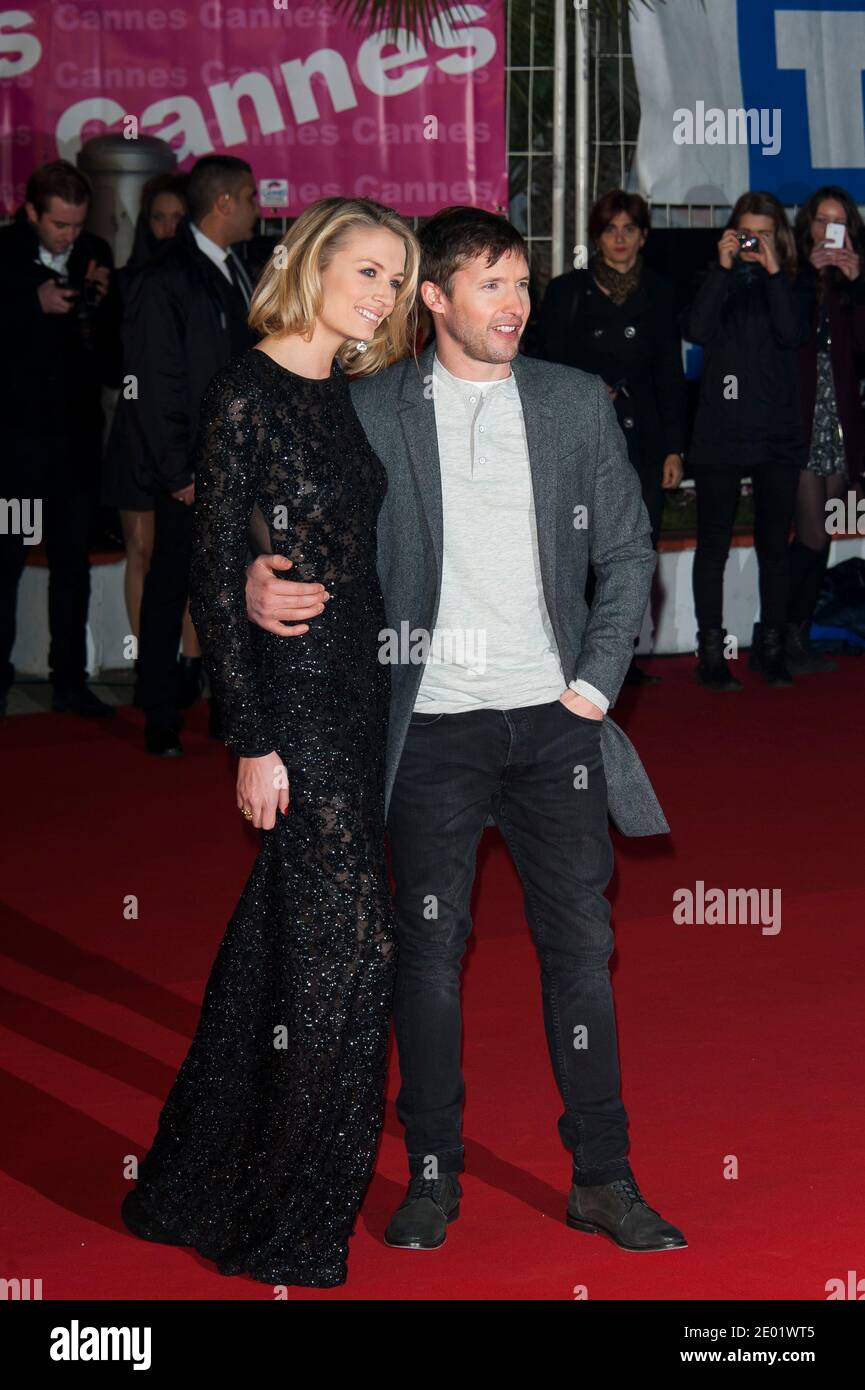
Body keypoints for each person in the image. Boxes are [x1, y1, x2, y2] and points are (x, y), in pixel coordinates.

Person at [244, 206, 686, 1256]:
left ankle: (603, 1175)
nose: (515, 304)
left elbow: (627, 552)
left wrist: (590, 687)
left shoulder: (576, 403)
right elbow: (288, 525)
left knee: (581, 952)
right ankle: (432, 1175)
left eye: (523, 283)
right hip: (429, 729)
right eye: (489, 285)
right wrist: (259, 575)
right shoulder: (368, 409)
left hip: (552, 727)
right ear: (431, 299)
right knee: (428, 957)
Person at [120, 197, 420, 1286]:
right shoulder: (246, 388)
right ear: (309, 261)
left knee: (276, 946)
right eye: (369, 269)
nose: (383, 292)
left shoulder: (349, 391)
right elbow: (209, 564)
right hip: (293, 705)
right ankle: (284, 1218)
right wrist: (250, 738)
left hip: (359, 689)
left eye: (397, 277)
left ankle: (190, 1180)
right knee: (355, 951)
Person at [117, 155, 260, 755]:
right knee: (171, 585)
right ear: (223, 203)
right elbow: (152, 379)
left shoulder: (237, 267)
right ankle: (160, 712)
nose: (259, 208)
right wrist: (178, 470)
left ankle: (228, 708)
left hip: (235, 463)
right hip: (189, 472)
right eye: (251, 197)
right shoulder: (165, 277)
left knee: (231, 588)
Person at [532, 190, 687, 684]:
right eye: (609, 229)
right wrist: (583, 389)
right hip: (580, 436)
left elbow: (670, 376)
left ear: (643, 236)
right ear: (597, 238)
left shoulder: (662, 292)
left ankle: (621, 654)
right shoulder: (566, 291)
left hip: (643, 438)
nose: (619, 239)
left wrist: (674, 449)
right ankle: (573, 652)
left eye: (629, 229)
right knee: (575, 547)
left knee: (633, 546)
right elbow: (543, 364)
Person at [0, 160, 119, 718]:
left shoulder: (95, 251)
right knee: (7, 562)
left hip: (74, 445)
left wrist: (98, 302)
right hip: (18, 450)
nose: (69, 236)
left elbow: (111, 357)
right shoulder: (3, 256)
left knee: (73, 563)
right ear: (30, 213)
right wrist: (33, 306)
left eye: (76, 224)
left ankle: (70, 681)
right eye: (58, 226)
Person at [683, 191, 813, 690]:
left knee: (773, 548)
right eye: (746, 231)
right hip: (720, 430)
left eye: (764, 232)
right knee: (711, 545)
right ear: (730, 232)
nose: (753, 240)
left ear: (778, 235)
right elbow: (695, 330)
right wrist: (721, 269)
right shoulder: (711, 277)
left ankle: (771, 649)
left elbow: (792, 333)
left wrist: (776, 270)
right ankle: (711, 655)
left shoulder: (794, 284)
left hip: (777, 431)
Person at [101, 174, 205, 702]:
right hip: (135, 434)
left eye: (176, 218)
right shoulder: (126, 280)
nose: (167, 227)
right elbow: (112, 364)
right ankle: (149, 667)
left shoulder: (200, 281)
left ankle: (187, 663)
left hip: (174, 431)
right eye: (158, 217)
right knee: (140, 550)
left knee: (183, 556)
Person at [787, 186, 865, 672]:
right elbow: (785, 337)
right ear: (808, 226)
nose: (828, 231)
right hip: (797, 419)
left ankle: (795, 633)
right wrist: (807, 279)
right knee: (812, 534)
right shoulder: (791, 275)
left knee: (824, 533)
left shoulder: (856, 283)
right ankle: (782, 633)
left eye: (838, 223)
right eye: (821, 221)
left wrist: (855, 287)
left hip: (841, 420)